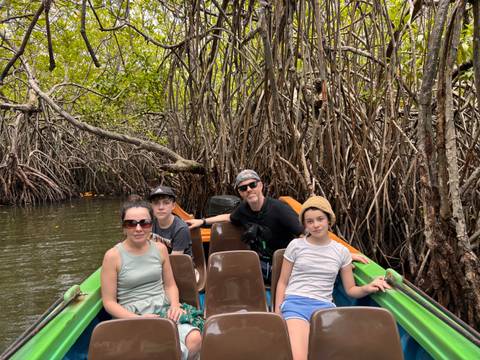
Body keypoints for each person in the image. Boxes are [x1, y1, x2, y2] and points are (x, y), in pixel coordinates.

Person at [187, 169, 367, 281]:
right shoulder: (243, 209)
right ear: (240, 193)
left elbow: (308, 235)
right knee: (227, 271)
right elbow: (229, 217)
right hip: (260, 261)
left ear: (260, 185)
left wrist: (342, 254)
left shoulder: (279, 209)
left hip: (284, 262)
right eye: (243, 188)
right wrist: (202, 221)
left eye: (252, 185)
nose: (249, 190)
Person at [274, 196, 390, 360]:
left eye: (320, 219)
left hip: (325, 308)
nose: (316, 225)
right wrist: (278, 311)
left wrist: (368, 287)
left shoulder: (341, 252)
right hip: (296, 304)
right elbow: (283, 281)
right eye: (310, 221)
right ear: (305, 224)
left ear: (329, 220)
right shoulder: (296, 246)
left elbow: (350, 289)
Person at [101, 200, 202, 360]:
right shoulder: (112, 256)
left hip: (162, 308)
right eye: (131, 223)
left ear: (151, 224)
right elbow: (109, 302)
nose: (138, 228)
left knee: (195, 338)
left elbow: (170, 285)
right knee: (168, 348)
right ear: (124, 227)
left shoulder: (160, 249)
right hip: (132, 315)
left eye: (144, 223)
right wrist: (138, 319)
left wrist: (175, 305)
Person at [148, 185, 192, 256]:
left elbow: (174, 261)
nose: (161, 207)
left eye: (166, 203)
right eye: (156, 203)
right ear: (151, 206)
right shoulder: (149, 224)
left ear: (173, 206)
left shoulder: (181, 229)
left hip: (180, 265)